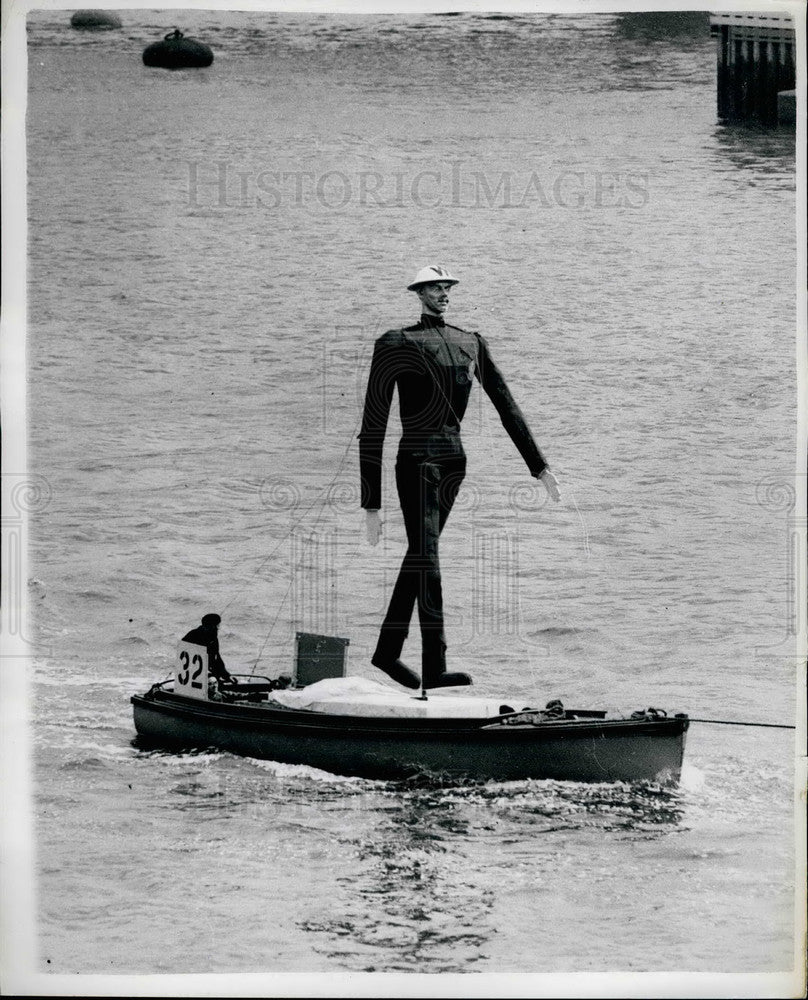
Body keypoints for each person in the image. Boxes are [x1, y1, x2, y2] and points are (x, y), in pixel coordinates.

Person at [359, 265, 560, 691]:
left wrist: (539, 466)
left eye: (447, 287)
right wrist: (371, 503)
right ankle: (434, 665)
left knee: (420, 554)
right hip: (415, 460)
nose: (443, 293)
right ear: (419, 293)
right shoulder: (396, 342)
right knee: (427, 558)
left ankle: (386, 652)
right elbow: (373, 421)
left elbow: (507, 406)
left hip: (454, 461)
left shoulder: (471, 341)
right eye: (435, 287)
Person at [182, 613, 236, 685]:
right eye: (217, 625)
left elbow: (217, 659)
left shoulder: (213, 639)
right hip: (193, 676)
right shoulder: (193, 635)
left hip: (206, 673)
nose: (218, 628)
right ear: (211, 626)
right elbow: (186, 659)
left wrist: (227, 676)